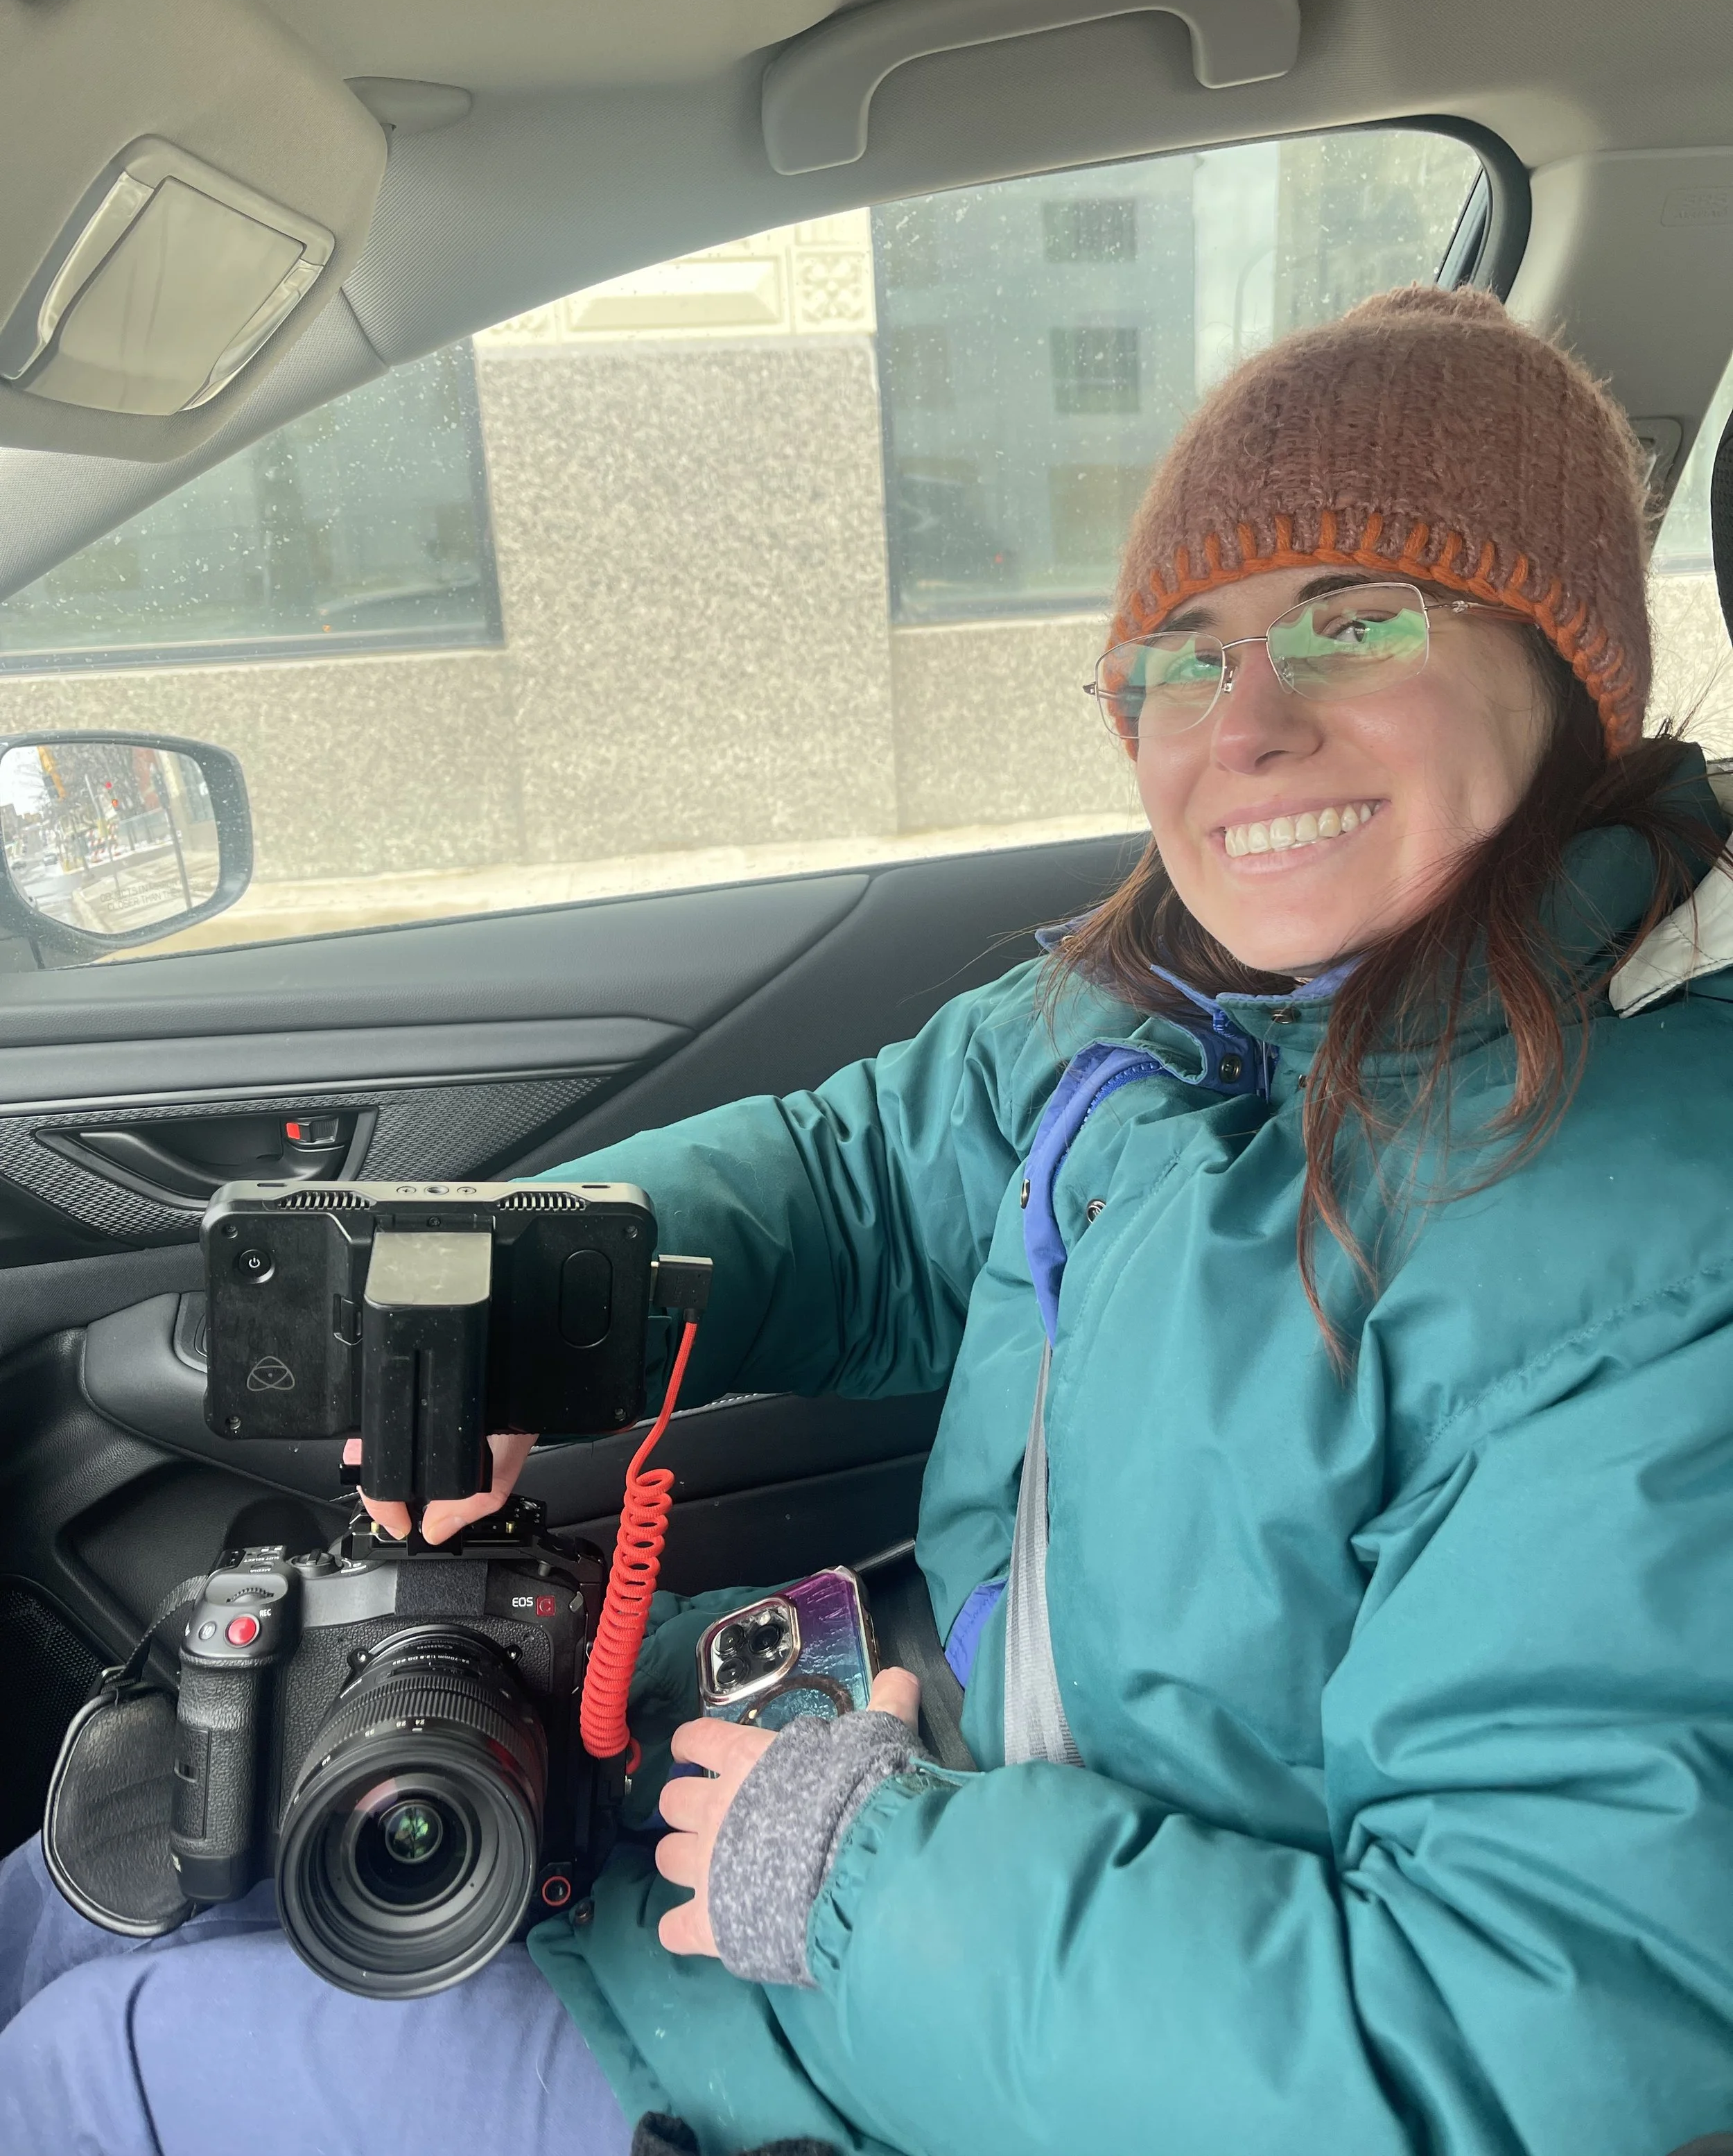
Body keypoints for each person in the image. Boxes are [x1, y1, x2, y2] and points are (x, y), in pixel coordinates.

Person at [6, 283, 1733, 2156]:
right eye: (1181, 649)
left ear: (1569, 673)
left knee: (91, 2064)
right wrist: (510, 1297)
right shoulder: (1178, 1014)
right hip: (900, 1835)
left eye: (1355, 621)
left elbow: (1531, 2043)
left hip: (1003, 2025)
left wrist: (852, 1873)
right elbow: (852, 1185)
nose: (1245, 721)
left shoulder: (1651, 1242)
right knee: (78, 1873)